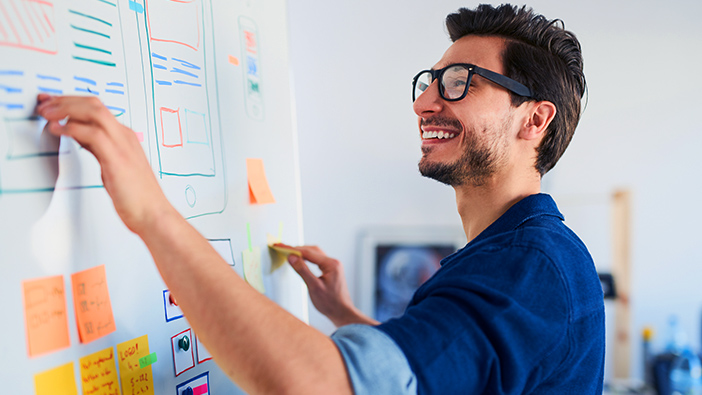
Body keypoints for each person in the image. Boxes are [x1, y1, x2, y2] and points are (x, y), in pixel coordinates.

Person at [36, 3, 605, 394]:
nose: (424, 103)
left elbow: (319, 387)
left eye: (460, 81)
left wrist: (152, 213)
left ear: (533, 118)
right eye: (428, 82)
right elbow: (437, 377)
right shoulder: (527, 254)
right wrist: (345, 316)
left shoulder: (527, 268)